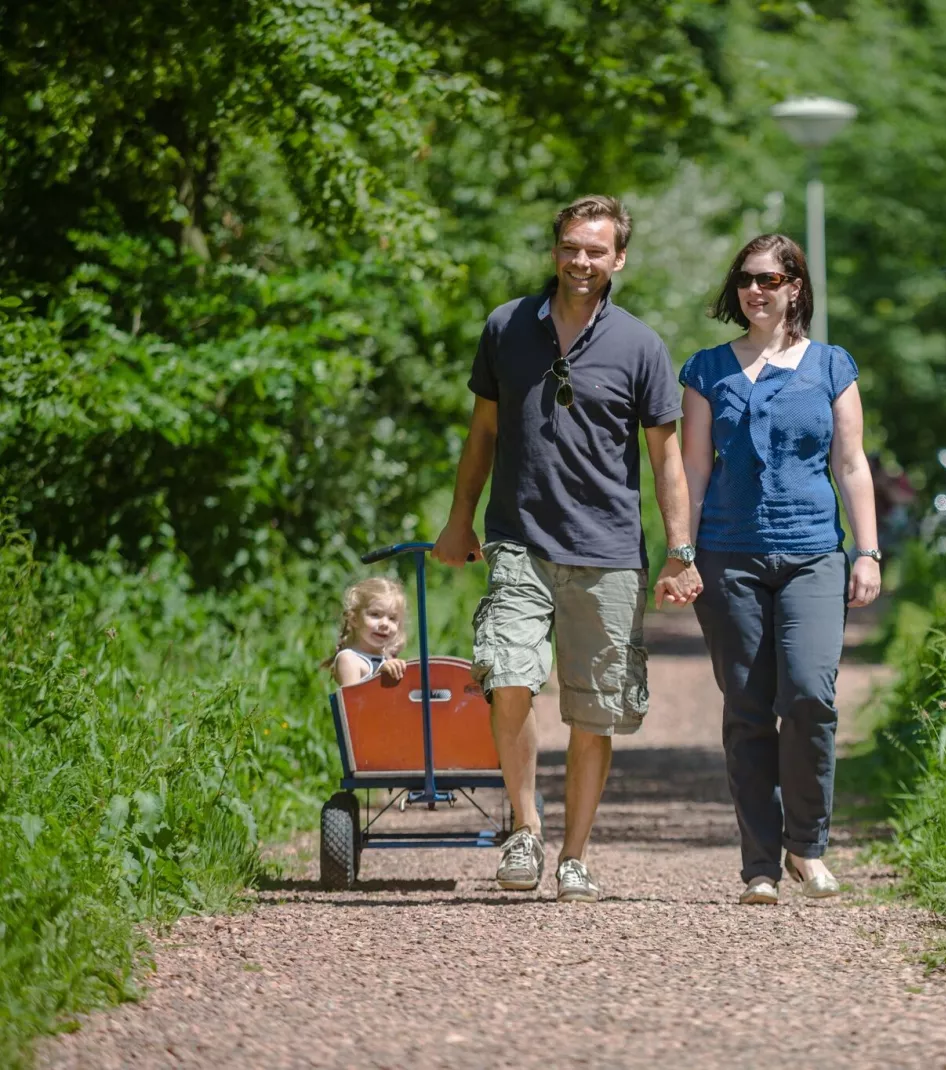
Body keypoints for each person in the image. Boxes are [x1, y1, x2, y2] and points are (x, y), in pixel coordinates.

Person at [433, 194, 702, 902]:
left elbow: (666, 460)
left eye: (596, 251)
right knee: (508, 672)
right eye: (570, 248)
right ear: (555, 251)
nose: (581, 261)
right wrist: (459, 519)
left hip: (609, 549)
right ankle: (525, 829)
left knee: (595, 710)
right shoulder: (507, 328)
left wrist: (681, 549)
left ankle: (575, 855)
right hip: (519, 537)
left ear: (618, 259)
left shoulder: (640, 345)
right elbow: (483, 433)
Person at [678, 233, 881, 905]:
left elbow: (852, 464)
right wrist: (682, 552)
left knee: (809, 698)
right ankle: (761, 864)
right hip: (728, 557)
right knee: (747, 709)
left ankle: (808, 846)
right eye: (744, 279)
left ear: (796, 285)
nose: (753, 290)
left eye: (768, 278)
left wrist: (869, 550)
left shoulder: (831, 366)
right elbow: (694, 469)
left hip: (814, 555)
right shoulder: (706, 370)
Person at [325, 577, 409, 687]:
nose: (385, 623)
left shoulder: (387, 659)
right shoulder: (349, 660)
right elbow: (352, 701)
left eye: (392, 618)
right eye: (375, 614)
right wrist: (380, 676)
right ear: (354, 619)